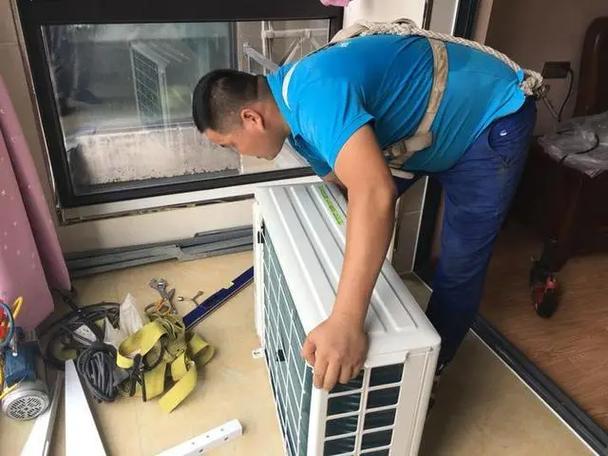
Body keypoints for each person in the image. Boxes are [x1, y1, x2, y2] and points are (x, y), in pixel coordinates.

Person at [191, 32, 537, 392]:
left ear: (251, 118)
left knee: (460, 262)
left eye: (230, 144)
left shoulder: (314, 96)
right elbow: (344, 189)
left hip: (490, 116)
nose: (240, 154)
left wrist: (346, 320)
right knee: (357, 214)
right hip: (426, 128)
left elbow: (374, 193)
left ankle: (427, 376)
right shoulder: (295, 128)